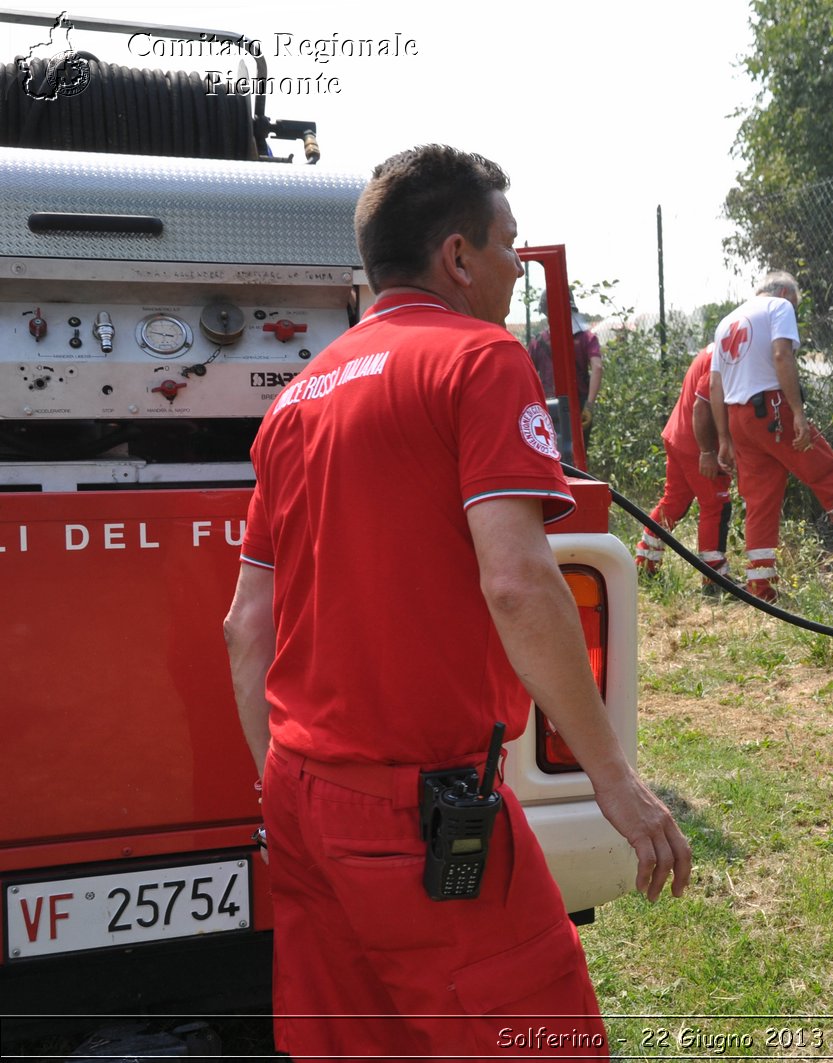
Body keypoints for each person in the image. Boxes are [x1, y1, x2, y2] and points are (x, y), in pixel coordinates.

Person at [222, 144, 692, 1062]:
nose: (519, 268)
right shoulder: (479, 359)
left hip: (300, 795)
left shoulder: (297, 401)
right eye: (509, 245)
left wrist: (279, 795)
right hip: (418, 810)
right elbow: (518, 581)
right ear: (458, 257)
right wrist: (614, 777)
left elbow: (245, 628)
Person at [708, 271, 833, 602]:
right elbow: (781, 355)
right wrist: (798, 413)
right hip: (773, 409)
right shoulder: (778, 306)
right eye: (796, 303)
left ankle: (761, 587)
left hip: (738, 418)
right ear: (781, 291)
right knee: (829, 474)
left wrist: (723, 438)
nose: (795, 310)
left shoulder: (726, 322)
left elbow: (714, 385)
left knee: (760, 502)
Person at [635, 344, 734, 592]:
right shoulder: (726, 354)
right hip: (695, 443)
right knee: (716, 504)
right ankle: (714, 578)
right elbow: (702, 405)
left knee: (674, 502)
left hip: (678, 435)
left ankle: (645, 563)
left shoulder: (718, 347)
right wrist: (707, 452)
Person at [530, 286, 605, 427]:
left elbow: (527, 376)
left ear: (545, 312)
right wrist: (589, 406)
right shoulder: (587, 338)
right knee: (579, 448)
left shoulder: (537, 343)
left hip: (547, 408)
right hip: (578, 406)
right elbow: (598, 367)